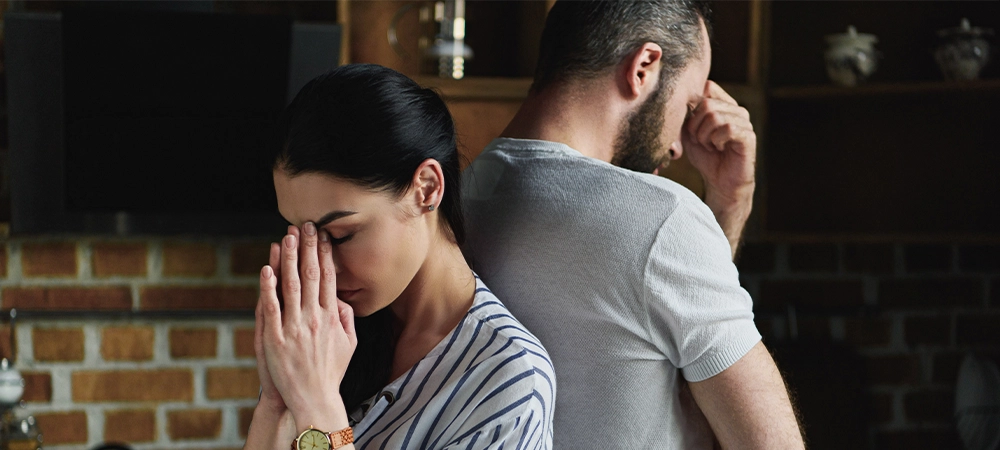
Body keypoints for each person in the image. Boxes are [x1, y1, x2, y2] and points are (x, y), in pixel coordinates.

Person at [462, 1, 803, 448]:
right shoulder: (661, 216)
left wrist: (727, 204)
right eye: (689, 103)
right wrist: (730, 200)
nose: (678, 146)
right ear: (643, 67)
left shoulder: (457, 195)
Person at [244, 64, 554, 450]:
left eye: (341, 236)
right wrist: (275, 402)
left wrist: (317, 404)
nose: (321, 268)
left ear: (426, 188)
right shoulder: (322, 336)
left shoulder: (509, 383)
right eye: (301, 236)